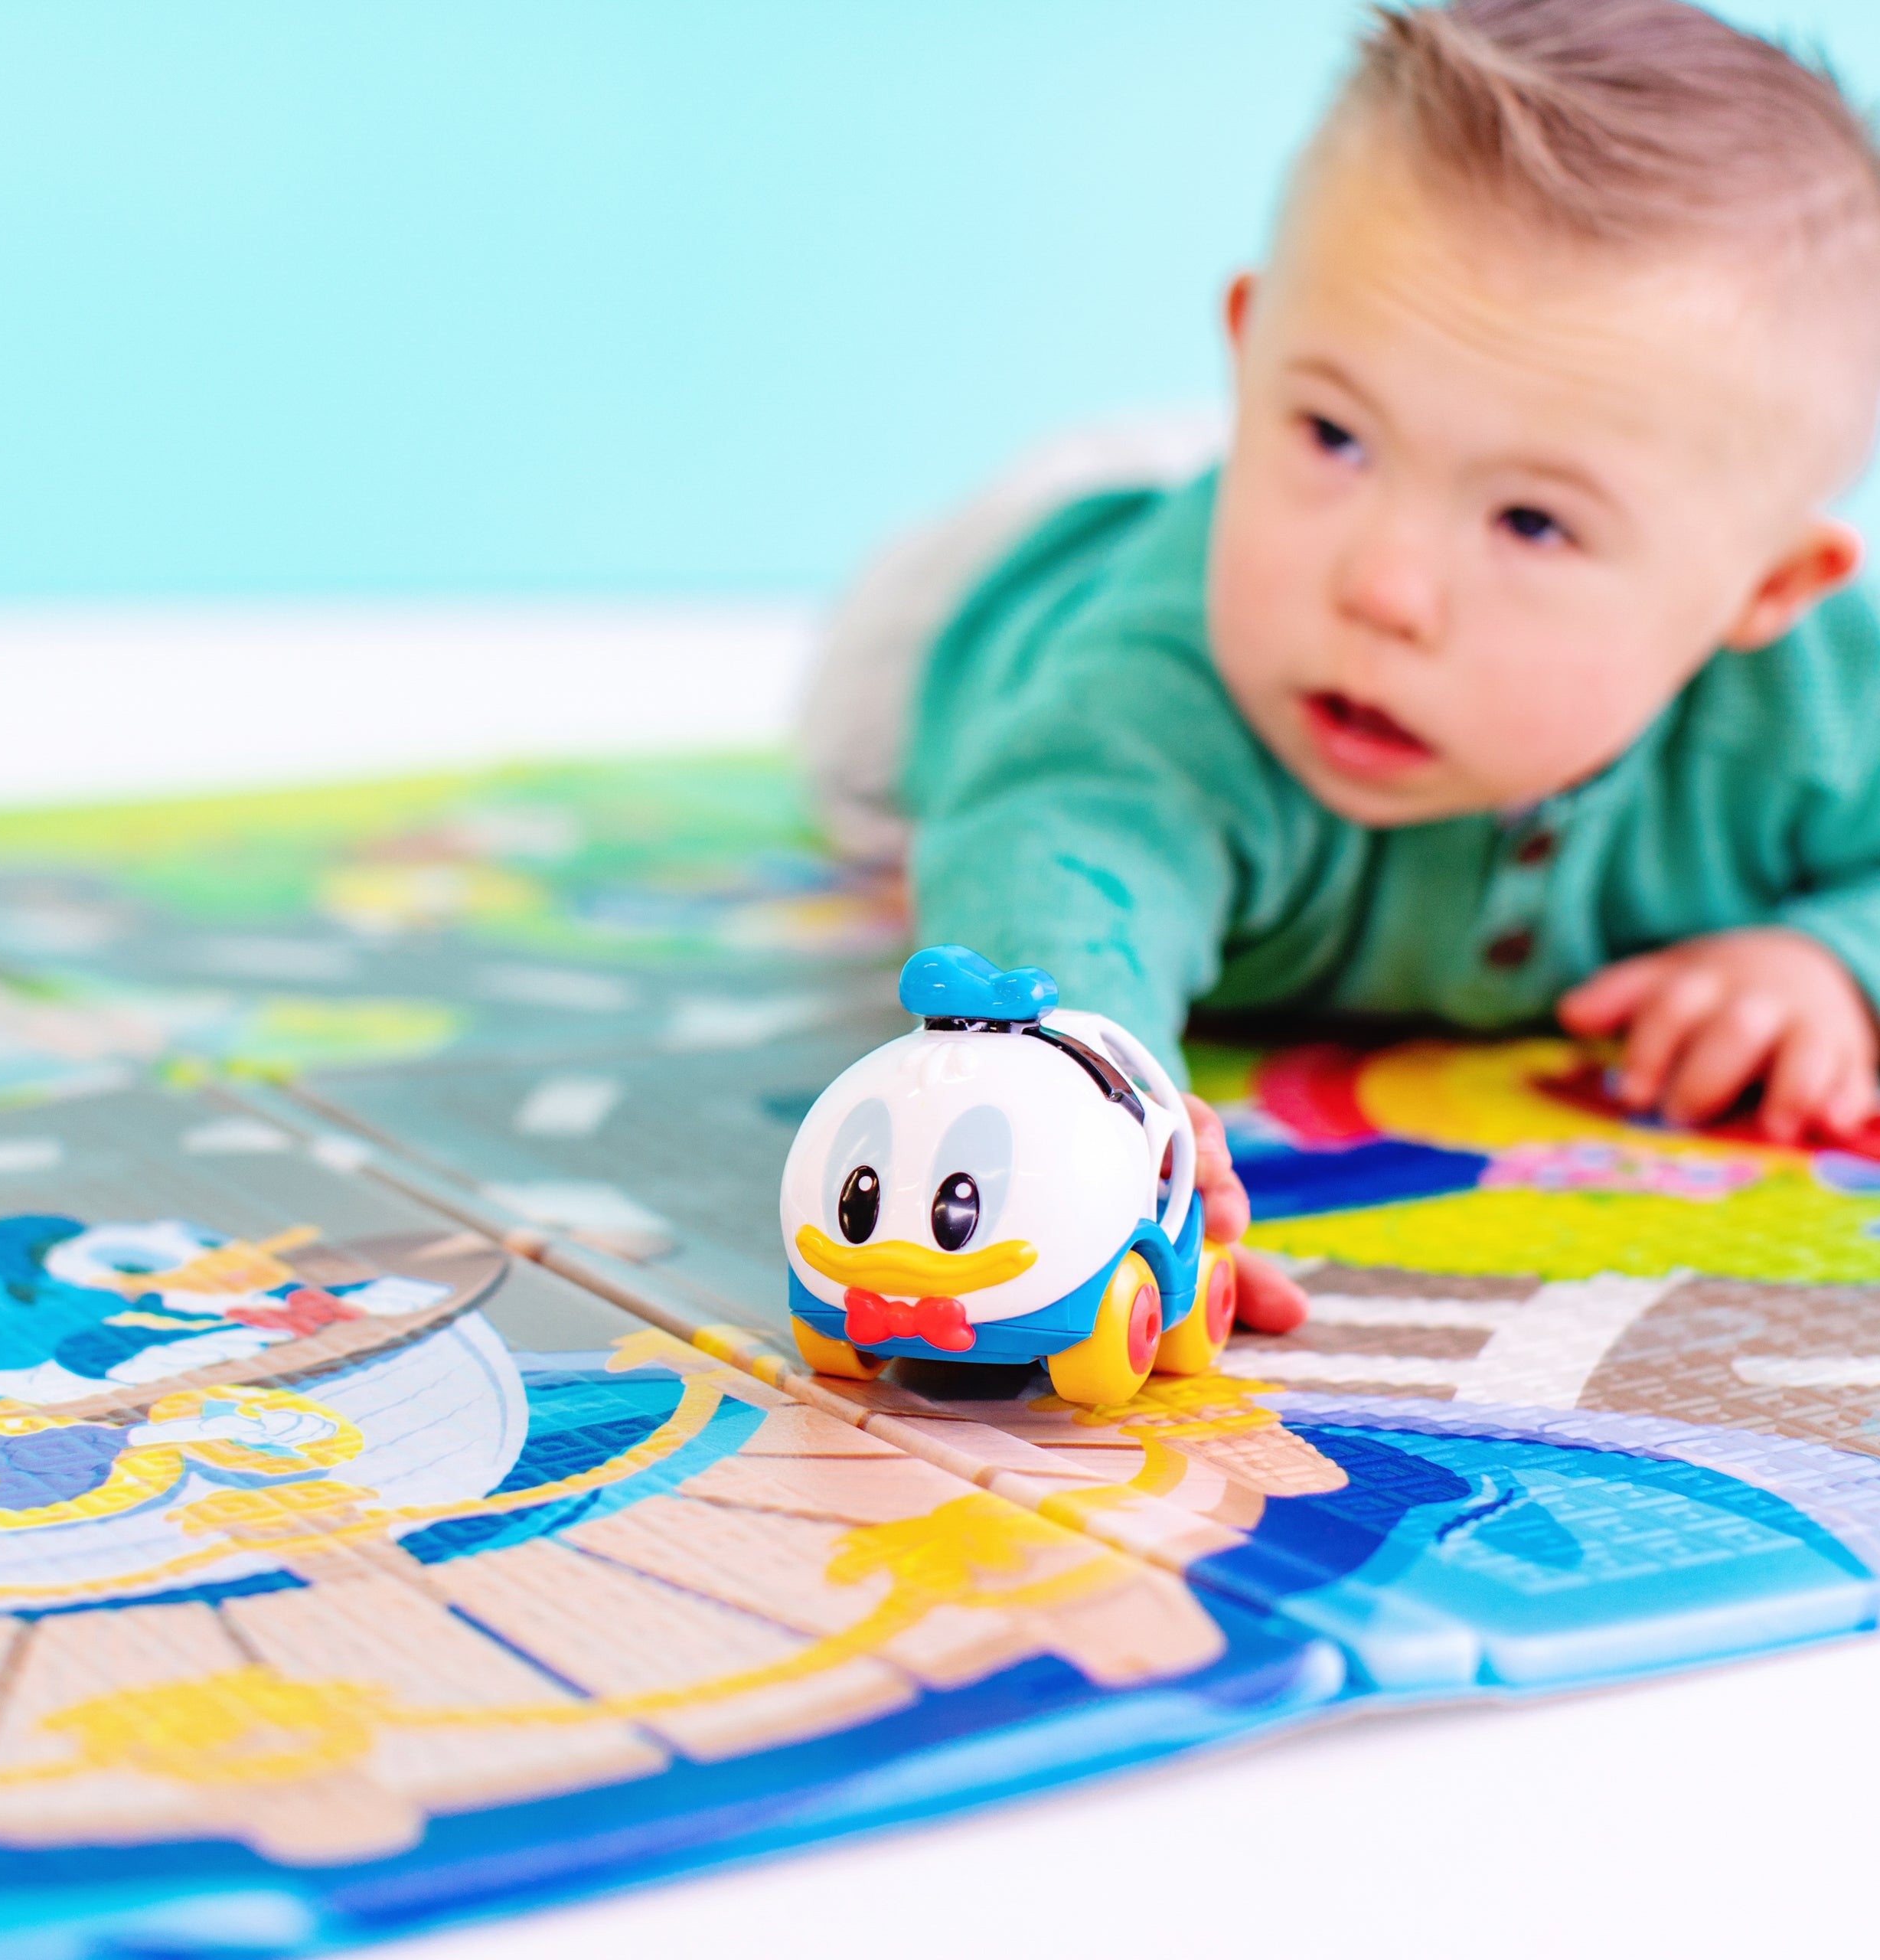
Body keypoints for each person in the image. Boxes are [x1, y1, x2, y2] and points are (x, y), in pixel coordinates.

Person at [800, 0, 1880, 1332]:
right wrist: (1093, 1123)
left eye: (1531, 522)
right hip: (986, 611)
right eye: (1329, 428)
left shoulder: (1821, 703)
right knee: (890, 751)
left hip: (1232, 508)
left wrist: (1830, 958)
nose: (1385, 589)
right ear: (1250, 354)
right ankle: (1209, 473)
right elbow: (1060, 842)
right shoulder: (1172, 684)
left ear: (1763, 590)